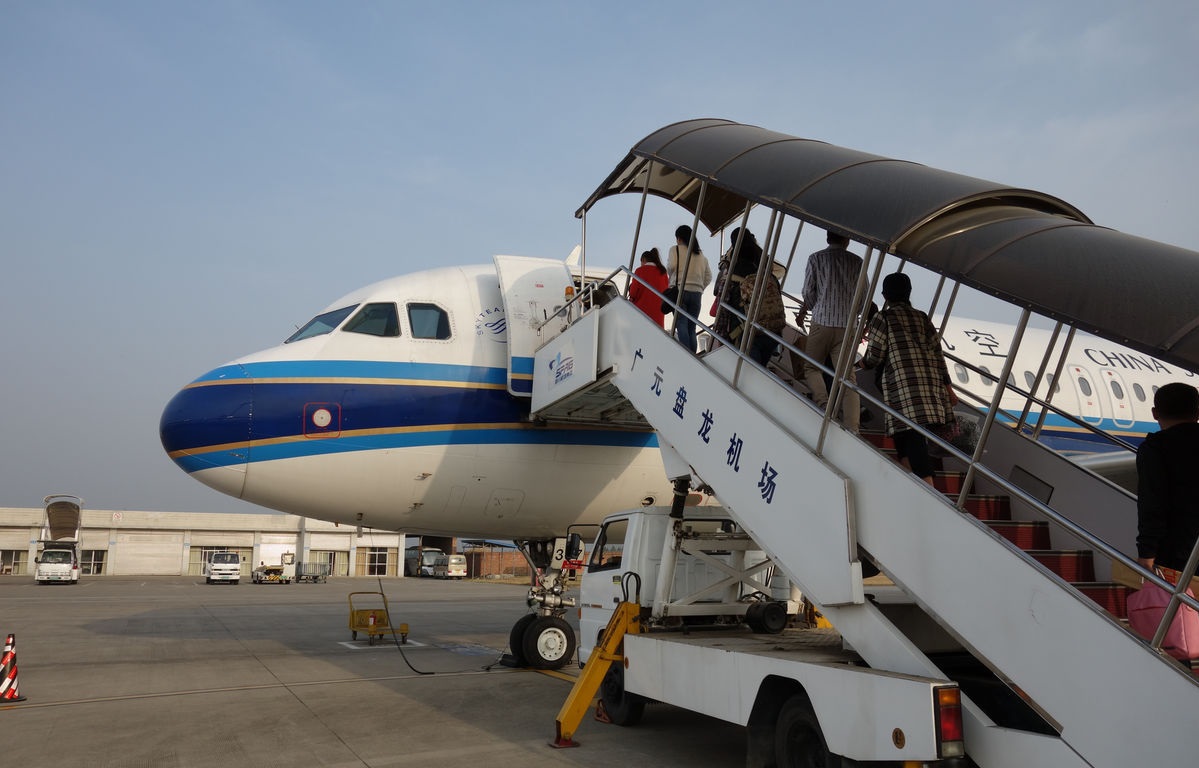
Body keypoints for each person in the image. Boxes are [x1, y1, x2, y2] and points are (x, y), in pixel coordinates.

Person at [860, 272, 954, 486]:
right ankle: (909, 485)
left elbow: (875, 356)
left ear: (884, 295)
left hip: (903, 389)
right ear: (909, 293)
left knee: (912, 438)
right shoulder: (922, 317)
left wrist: (860, 365)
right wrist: (949, 390)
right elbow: (938, 355)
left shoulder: (883, 318)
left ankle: (928, 490)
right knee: (904, 438)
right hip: (929, 387)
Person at [801, 231, 864, 433]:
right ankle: (853, 427)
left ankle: (824, 407)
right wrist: (853, 313)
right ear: (847, 239)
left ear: (828, 238)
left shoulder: (816, 258)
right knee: (847, 379)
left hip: (821, 322)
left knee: (811, 367)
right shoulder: (857, 262)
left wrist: (817, 307)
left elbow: (807, 291)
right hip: (847, 326)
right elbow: (864, 295)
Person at [1135, 382, 1199, 577]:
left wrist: (1147, 552)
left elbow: (1152, 502)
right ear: (1197, 413)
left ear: (1155, 413)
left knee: (1178, 596)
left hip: (1177, 552)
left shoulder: (1155, 449)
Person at [712, 228, 763, 344]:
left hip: (740, 330)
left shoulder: (733, 271)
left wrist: (721, 334)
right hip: (766, 330)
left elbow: (723, 306)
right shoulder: (762, 264)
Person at [666, 224, 712, 353]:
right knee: (692, 328)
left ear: (679, 238)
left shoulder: (675, 249)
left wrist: (672, 277)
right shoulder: (701, 255)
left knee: (681, 324)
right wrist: (700, 287)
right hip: (697, 294)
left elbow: (671, 266)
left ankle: (686, 354)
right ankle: (693, 355)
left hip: (680, 291)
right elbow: (709, 276)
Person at [740, 270, 785, 365]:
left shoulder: (748, 280)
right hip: (775, 330)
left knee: (753, 365)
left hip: (757, 330)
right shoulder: (772, 279)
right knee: (762, 364)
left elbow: (743, 301)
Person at [628, 248, 669, 327]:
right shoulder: (663, 272)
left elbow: (633, 293)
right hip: (658, 315)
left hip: (642, 313)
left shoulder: (640, 271)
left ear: (643, 260)